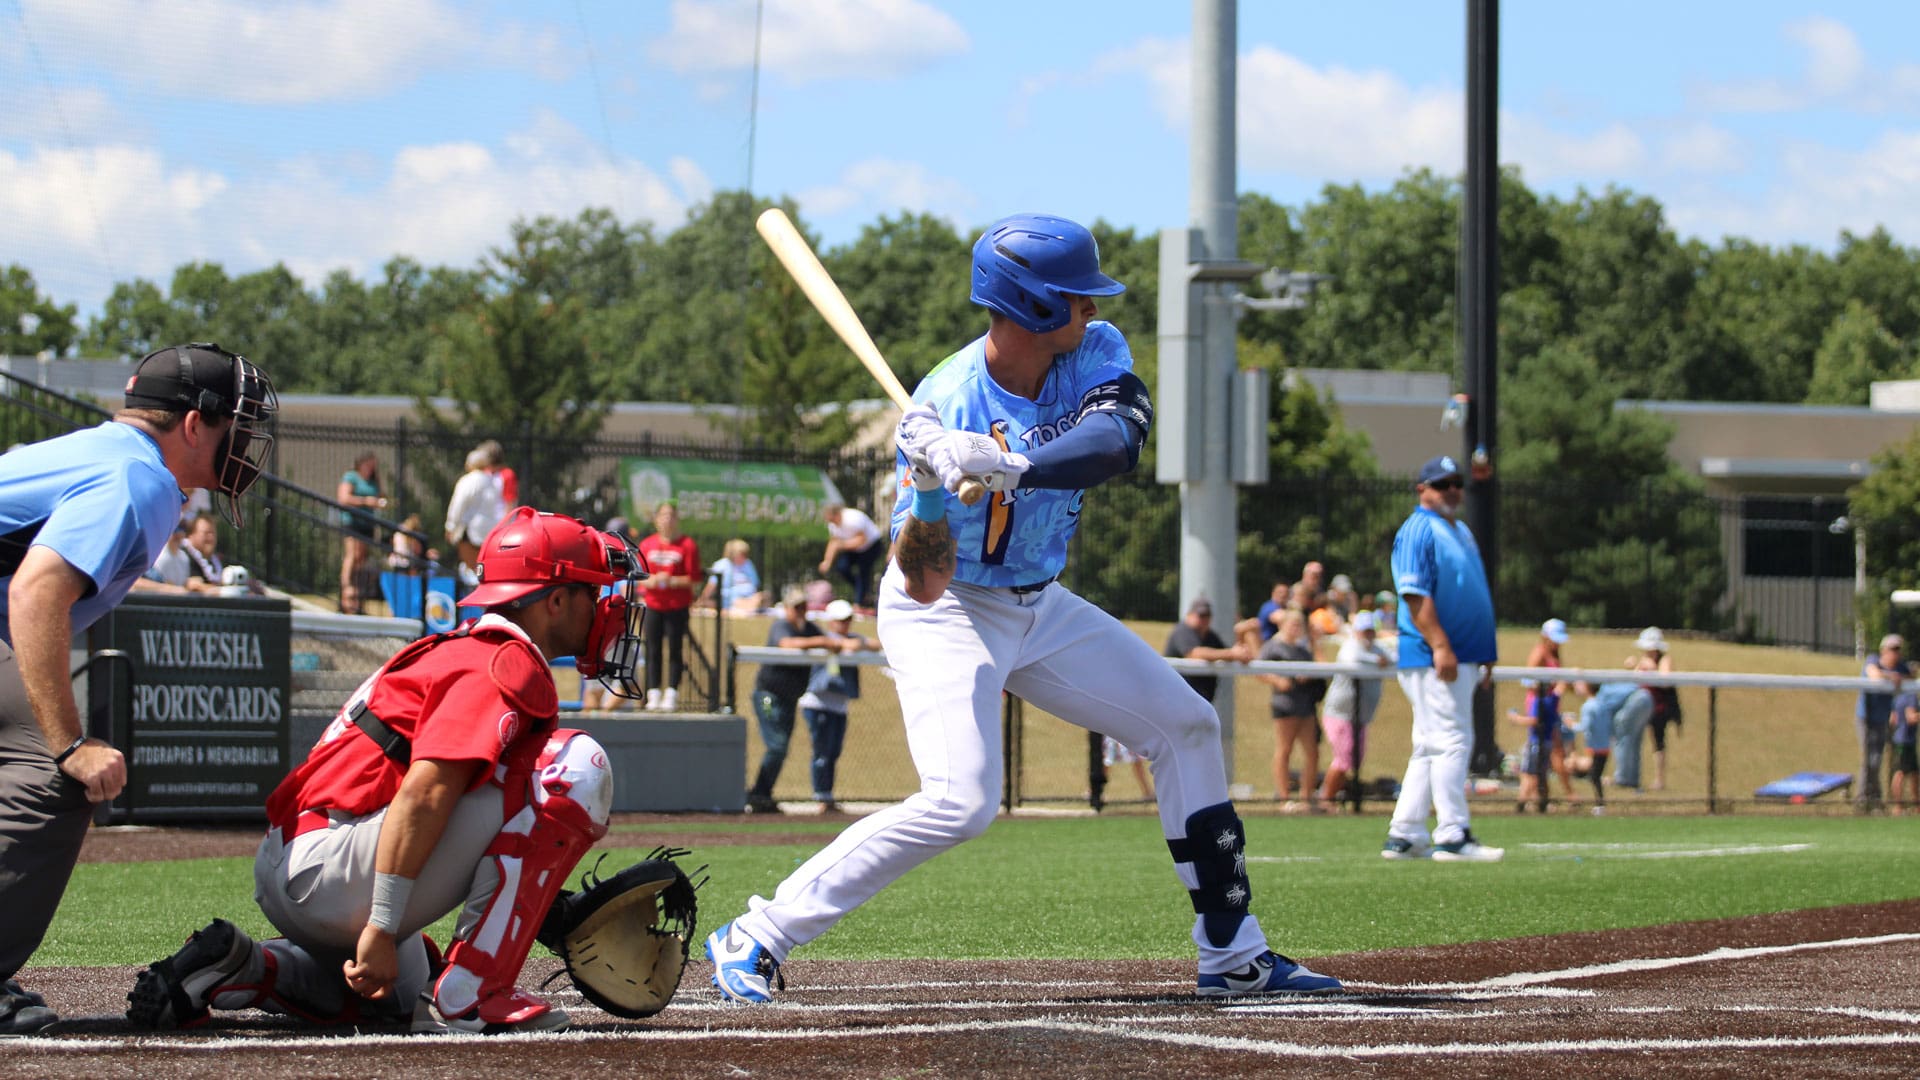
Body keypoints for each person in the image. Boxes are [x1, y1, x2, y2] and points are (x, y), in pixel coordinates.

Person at [705, 213, 1339, 1003]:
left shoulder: (1095, 350)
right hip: (946, 610)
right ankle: (756, 932)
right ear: (1036, 306)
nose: (1092, 310)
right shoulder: (947, 400)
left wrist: (1006, 462)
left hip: (1039, 602)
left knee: (1186, 726)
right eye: (1077, 298)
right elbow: (925, 581)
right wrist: (930, 485)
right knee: (961, 802)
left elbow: (1115, 443)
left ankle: (1233, 954)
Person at [126, 508, 644, 1035]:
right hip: (329, 863)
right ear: (555, 601)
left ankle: (242, 967)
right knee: (574, 766)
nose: (611, 606)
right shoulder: (502, 662)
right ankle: (471, 996)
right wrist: (381, 925)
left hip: (305, 860)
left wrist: (546, 911)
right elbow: (426, 794)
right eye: (595, 590)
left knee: (394, 998)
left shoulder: (474, 648)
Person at [0, 342, 277, 1035]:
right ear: (193, 426)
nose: (243, 445)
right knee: (58, 773)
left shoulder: (99, 453)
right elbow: (36, 594)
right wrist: (69, 744)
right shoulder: (142, 478)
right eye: (235, 428)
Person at [1382, 455, 1502, 862]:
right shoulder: (1418, 529)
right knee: (1453, 741)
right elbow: (1414, 595)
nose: (1452, 489)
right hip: (1434, 655)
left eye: (1456, 482)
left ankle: (1406, 833)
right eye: (1442, 483)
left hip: (1459, 654)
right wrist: (1441, 646)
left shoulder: (1459, 530)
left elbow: (1469, 592)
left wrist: (1482, 653)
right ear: (1422, 489)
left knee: (1430, 745)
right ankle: (1452, 834)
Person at [745, 586, 834, 814]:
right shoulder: (781, 626)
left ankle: (762, 794)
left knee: (781, 747)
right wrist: (820, 642)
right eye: (796, 607)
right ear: (787, 608)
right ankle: (758, 793)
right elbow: (786, 643)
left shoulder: (809, 629)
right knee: (777, 745)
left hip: (789, 698)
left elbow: (829, 639)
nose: (801, 611)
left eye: (804, 606)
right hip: (767, 697)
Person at [795, 599, 879, 813]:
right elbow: (845, 645)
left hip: (838, 706)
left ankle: (827, 794)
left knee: (833, 752)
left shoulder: (852, 639)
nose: (845, 624)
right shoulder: (826, 639)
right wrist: (852, 644)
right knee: (821, 751)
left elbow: (874, 644)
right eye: (840, 620)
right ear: (831, 621)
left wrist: (857, 643)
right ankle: (820, 795)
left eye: (848, 620)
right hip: (818, 703)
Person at [1321, 609, 1392, 813]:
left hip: (1361, 716)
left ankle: (1334, 797)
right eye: (1364, 630)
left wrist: (1381, 661)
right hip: (1340, 714)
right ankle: (1326, 799)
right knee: (1344, 759)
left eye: (1371, 630)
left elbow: (1393, 658)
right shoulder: (1350, 647)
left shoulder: (1378, 649)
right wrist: (1377, 663)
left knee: (1354, 760)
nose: (1368, 635)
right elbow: (1353, 659)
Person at [1258, 610, 1326, 812]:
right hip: (1285, 704)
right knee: (1284, 749)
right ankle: (1284, 798)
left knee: (1312, 752)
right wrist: (1277, 680)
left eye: (1299, 625)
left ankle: (1307, 797)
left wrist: (1315, 643)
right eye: (1293, 624)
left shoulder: (1302, 649)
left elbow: (1321, 667)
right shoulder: (1274, 646)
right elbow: (1259, 669)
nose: (1296, 628)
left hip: (1306, 704)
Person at [638, 503, 699, 712]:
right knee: (653, 649)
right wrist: (652, 581)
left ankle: (671, 692)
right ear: (656, 519)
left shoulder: (687, 545)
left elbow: (693, 578)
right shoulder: (647, 545)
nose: (667, 520)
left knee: (675, 649)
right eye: (663, 516)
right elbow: (640, 577)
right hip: (654, 605)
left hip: (677, 606)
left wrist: (671, 580)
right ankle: (653, 692)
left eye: (671, 516)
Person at [1525, 619, 1577, 805]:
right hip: (1541, 707)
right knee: (1553, 751)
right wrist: (1553, 689)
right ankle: (1569, 794)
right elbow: (1529, 681)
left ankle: (1541, 797)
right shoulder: (1539, 653)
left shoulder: (1554, 653)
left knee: (1549, 751)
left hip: (1551, 706)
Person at [1857, 633, 1910, 812]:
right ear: (1883, 650)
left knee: (1877, 759)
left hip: (1882, 720)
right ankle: (1863, 799)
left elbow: (1912, 675)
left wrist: (1901, 676)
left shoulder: (1900, 667)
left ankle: (1876, 800)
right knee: (1868, 760)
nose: (1896, 654)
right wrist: (1892, 677)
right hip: (1866, 717)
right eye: (1892, 649)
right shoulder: (1873, 660)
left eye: (1898, 650)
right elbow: (1874, 674)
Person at [1163, 597, 1251, 703]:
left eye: (1207, 616)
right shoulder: (1182, 631)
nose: (1205, 620)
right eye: (1201, 615)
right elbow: (1194, 653)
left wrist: (1240, 643)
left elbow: (1225, 653)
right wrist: (1232, 654)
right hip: (1177, 700)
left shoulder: (1209, 635)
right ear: (1190, 615)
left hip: (1199, 701)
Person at [444, 441, 506, 584]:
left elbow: (458, 505)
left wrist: (451, 526)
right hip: (491, 531)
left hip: (471, 532)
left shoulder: (468, 480)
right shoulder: (492, 481)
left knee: (474, 567)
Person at [1632, 626, 1682, 791]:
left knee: (1658, 743)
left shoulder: (1664, 660)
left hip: (1659, 708)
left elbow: (1666, 682)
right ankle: (1631, 775)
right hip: (1641, 705)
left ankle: (1659, 780)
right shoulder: (1643, 660)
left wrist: (1652, 667)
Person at [337, 452, 388, 615]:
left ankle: (357, 587)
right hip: (353, 522)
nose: (371, 468)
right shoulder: (351, 477)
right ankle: (346, 586)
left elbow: (378, 496)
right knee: (352, 554)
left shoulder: (373, 481)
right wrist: (366, 501)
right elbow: (344, 498)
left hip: (367, 523)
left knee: (361, 557)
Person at [818, 502, 885, 610]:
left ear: (837, 515)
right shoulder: (833, 525)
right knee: (842, 568)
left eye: (832, 519)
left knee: (863, 571)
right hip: (853, 548)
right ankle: (864, 593)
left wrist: (842, 545)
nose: (831, 523)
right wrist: (827, 561)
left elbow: (861, 540)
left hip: (871, 546)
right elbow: (834, 542)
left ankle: (859, 603)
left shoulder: (852, 519)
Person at [699, 538, 767, 615]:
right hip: (730, 599)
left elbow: (755, 585)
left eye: (745, 555)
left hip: (750, 597)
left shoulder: (748, 564)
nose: (744, 558)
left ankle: (753, 604)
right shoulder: (722, 565)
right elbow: (711, 585)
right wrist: (702, 599)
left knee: (765, 596)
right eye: (742, 555)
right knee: (743, 602)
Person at [1889, 692, 1919, 815]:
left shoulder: (1899, 695)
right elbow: (1911, 717)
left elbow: (1892, 719)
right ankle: (1898, 806)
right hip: (1905, 741)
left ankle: (1916, 805)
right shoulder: (1911, 697)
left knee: (1914, 773)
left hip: (1901, 739)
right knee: (1900, 773)